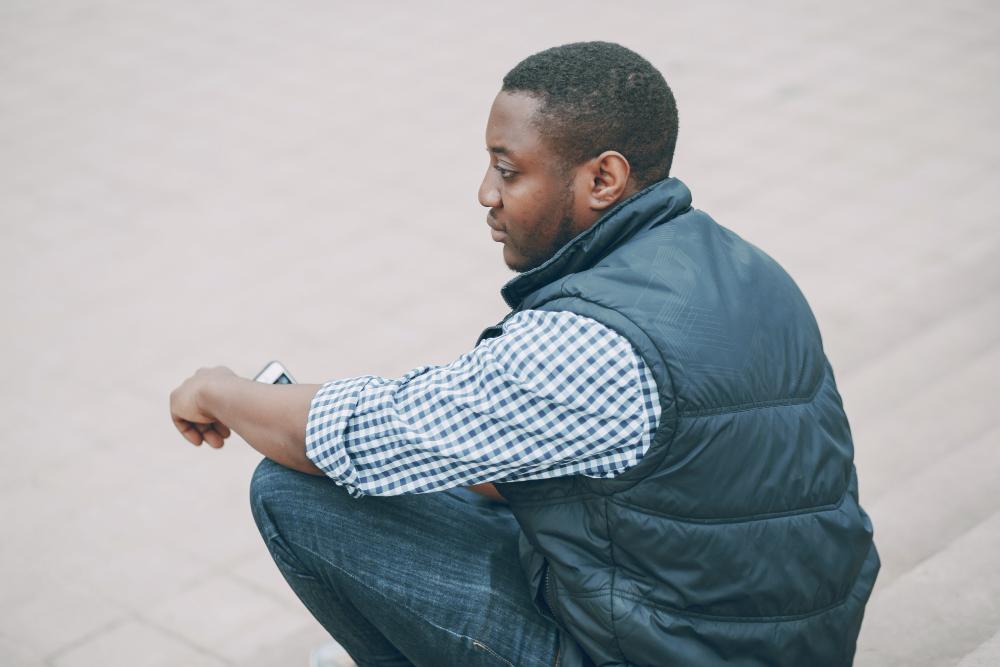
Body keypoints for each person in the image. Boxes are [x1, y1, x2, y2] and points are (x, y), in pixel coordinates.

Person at [169, 41, 879, 667]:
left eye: (508, 170)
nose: (486, 193)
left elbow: (355, 435)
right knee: (445, 471)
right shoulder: (745, 265)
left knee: (295, 491)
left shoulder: (592, 343)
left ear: (603, 179)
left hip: (675, 650)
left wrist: (219, 389)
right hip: (778, 637)